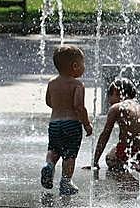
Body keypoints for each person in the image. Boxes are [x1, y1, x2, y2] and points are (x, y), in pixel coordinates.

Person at [40, 45, 93, 196]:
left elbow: (49, 102)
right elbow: (79, 107)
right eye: (83, 64)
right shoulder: (77, 84)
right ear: (75, 66)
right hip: (71, 124)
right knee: (70, 154)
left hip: (54, 123)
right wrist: (87, 124)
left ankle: (49, 164)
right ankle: (65, 182)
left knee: (53, 149)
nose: (84, 67)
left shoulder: (52, 82)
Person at [88, 78, 140, 172]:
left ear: (116, 91)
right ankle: (136, 162)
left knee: (109, 158)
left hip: (126, 151)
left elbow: (105, 134)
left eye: (109, 95)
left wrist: (95, 162)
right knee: (121, 148)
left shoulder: (115, 108)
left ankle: (128, 164)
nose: (108, 100)